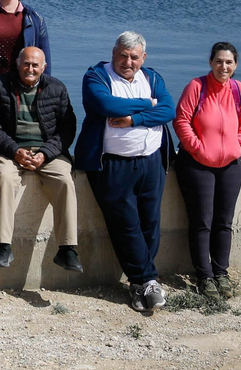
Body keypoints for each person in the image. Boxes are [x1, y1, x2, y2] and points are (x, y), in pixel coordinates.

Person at [73, 32, 176, 315]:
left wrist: (135, 118)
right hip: (112, 164)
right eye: (123, 55)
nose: (127, 62)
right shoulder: (96, 77)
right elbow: (107, 106)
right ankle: (147, 281)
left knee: (150, 222)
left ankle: (142, 283)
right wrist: (149, 103)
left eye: (134, 57)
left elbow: (169, 110)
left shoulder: (152, 78)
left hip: (151, 162)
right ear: (113, 52)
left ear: (143, 58)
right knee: (126, 224)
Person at [0, 46, 82, 273]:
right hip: (11, 150)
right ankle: (2, 245)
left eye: (35, 65)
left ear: (44, 67)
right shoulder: (0, 84)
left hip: (48, 151)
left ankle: (67, 248)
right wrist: (15, 150)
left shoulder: (56, 88)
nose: (30, 69)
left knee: (64, 181)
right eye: (26, 64)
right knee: (5, 178)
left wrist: (45, 153)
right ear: (18, 65)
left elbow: (67, 129)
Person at [173, 42, 241, 298]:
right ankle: (204, 276)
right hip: (197, 166)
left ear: (235, 65)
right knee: (202, 223)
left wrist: (238, 144)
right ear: (211, 62)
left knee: (224, 223)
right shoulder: (196, 87)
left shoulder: (238, 90)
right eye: (219, 61)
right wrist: (197, 148)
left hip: (230, 165)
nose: (224, 66)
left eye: (229, 62)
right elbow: (181, 120)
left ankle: (221, 273)